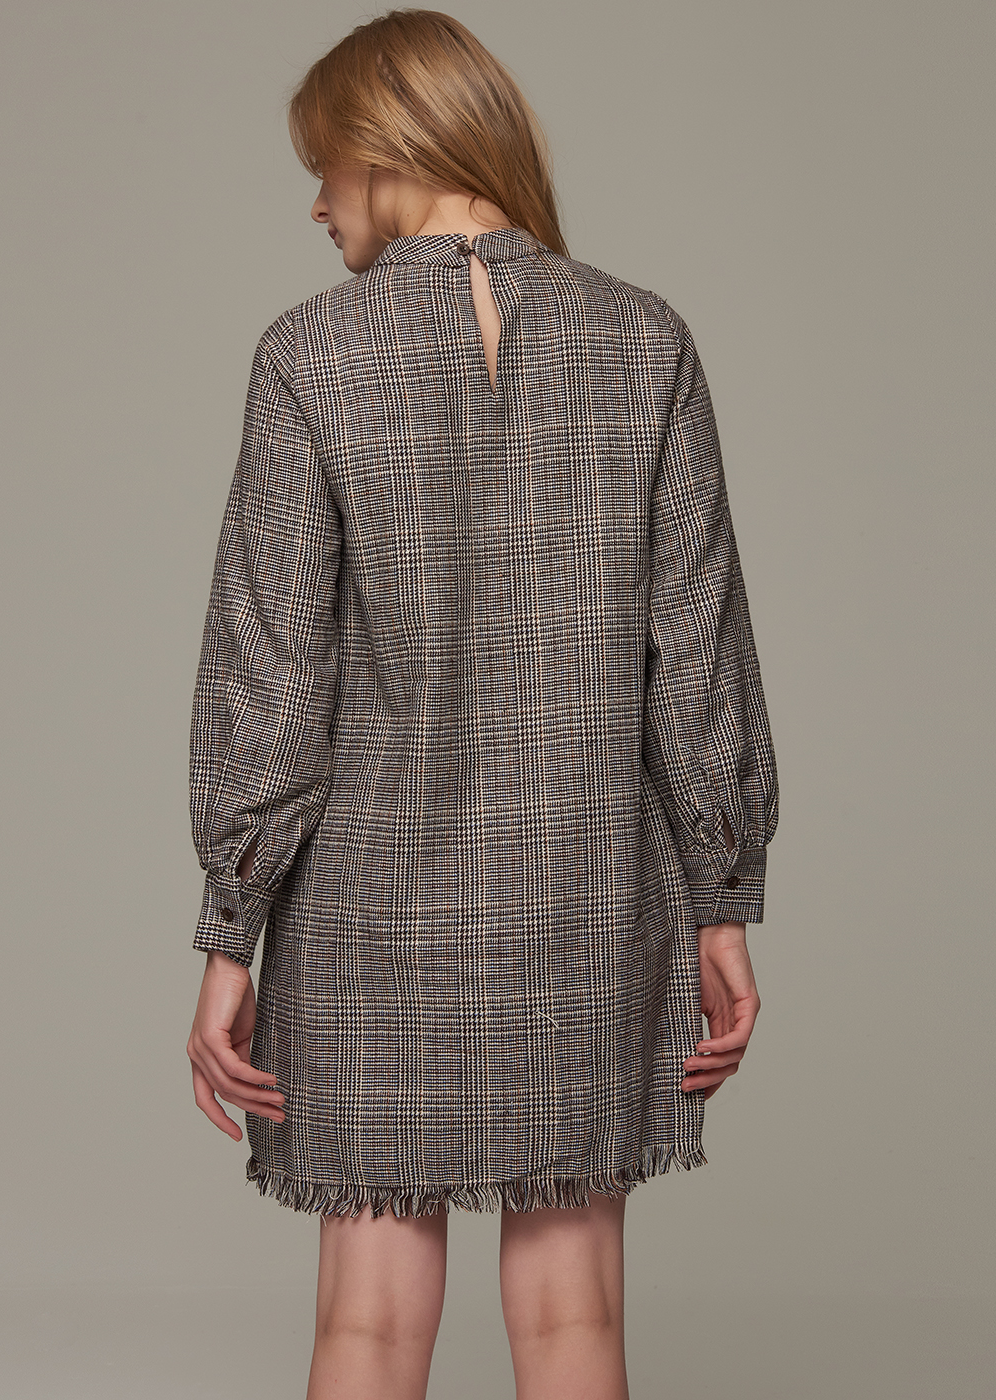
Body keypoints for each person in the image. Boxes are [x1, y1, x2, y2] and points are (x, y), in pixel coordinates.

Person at [185, 10, 779, 1398]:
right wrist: (721, 902)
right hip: (587, 897)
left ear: (390, 147)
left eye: (325, 168)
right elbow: (698, 660)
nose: (317, 204)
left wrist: (230, 931)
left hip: (364, 913)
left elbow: (270, 677)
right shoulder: (645, 342)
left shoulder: (311, 356)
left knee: (366, 1327)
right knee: (575, 1321)